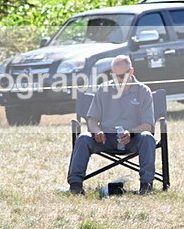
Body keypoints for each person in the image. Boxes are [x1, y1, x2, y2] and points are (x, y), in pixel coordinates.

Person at [67, 55, 156, 195]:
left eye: (122, 76)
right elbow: (92, 120)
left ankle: (146, 185)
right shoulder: (103, 89)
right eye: (114, 75)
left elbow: (148, 126)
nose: (118, 80)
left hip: (133, 139)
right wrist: (96, 131)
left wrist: (131, 132)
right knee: (83, 138)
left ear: (131, 71)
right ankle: (75, 185)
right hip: (105, 138)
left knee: (147, 138)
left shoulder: (143, 91)